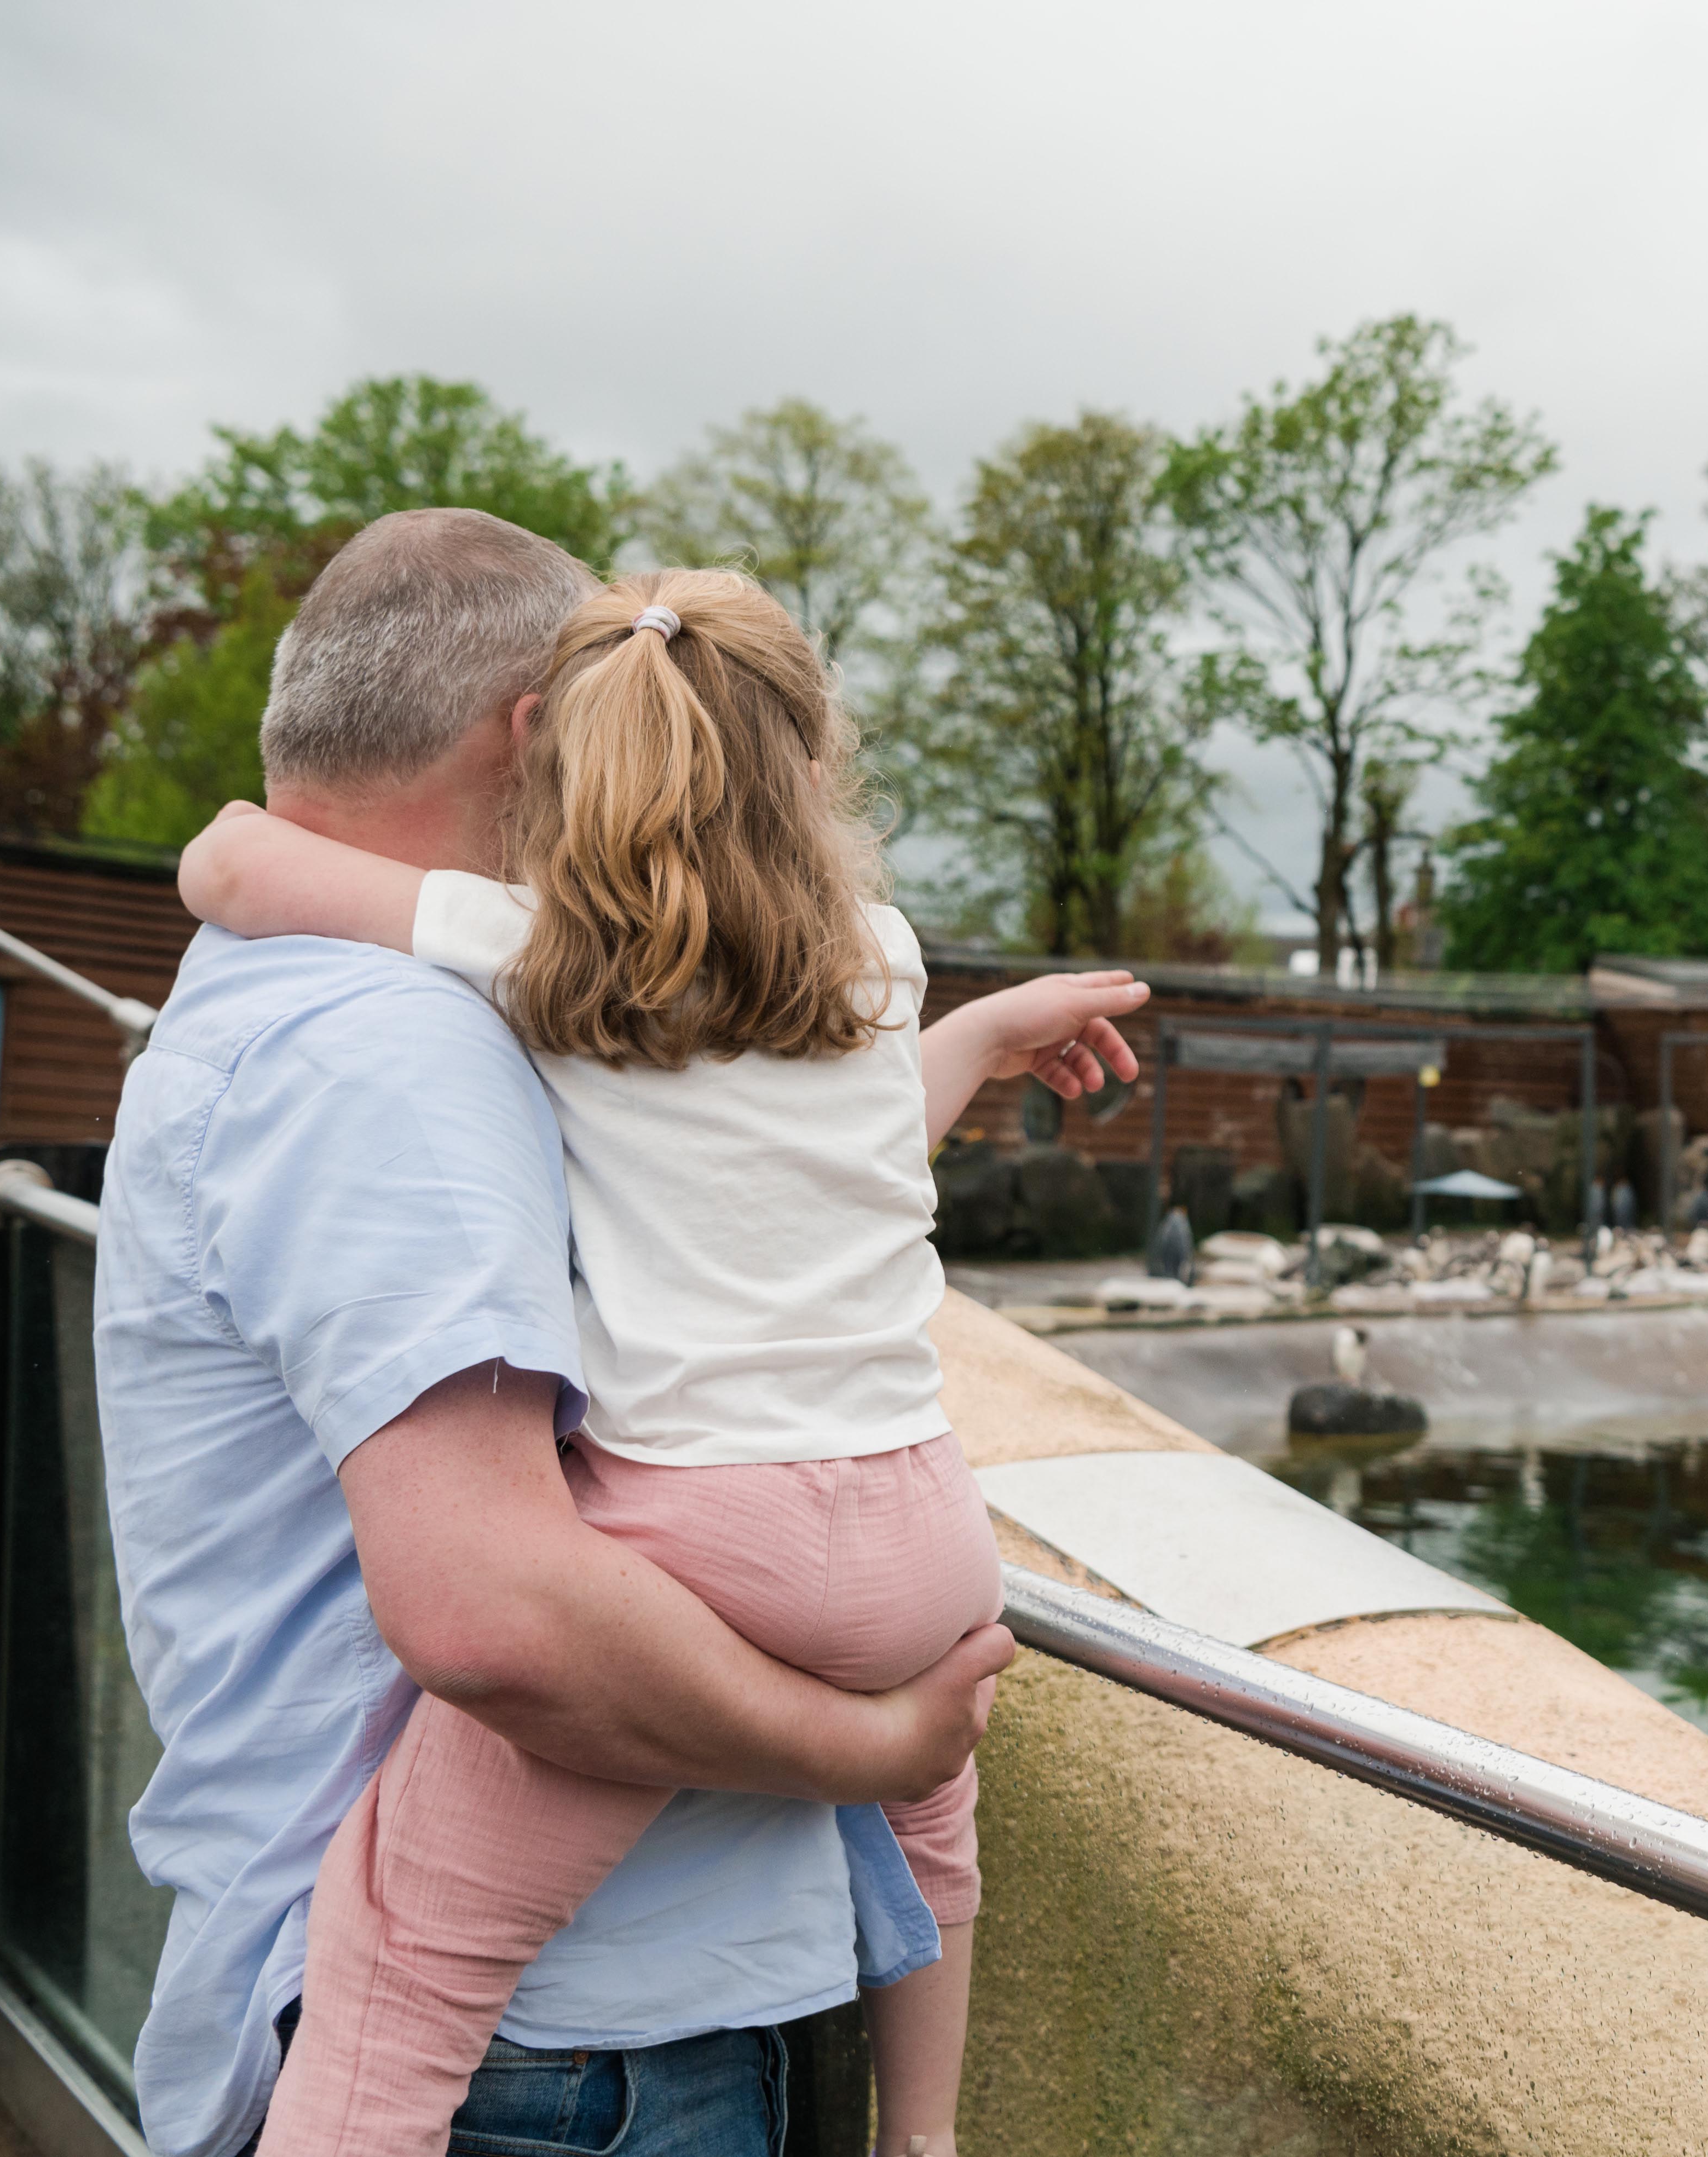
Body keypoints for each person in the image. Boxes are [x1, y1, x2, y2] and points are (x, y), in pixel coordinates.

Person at [168, 563, 1145, 2157]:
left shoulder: (543, 956)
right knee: (936, 1831)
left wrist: (222, 839)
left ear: (565, 756)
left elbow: (241, 868)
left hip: (709, 1546)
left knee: (404, 1961)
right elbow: (838, 1167)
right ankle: (927, 2136)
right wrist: (971, 1037)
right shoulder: (879, 962)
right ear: (816, 763)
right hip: (919, 1534)